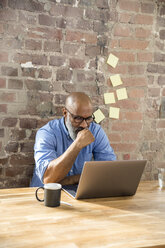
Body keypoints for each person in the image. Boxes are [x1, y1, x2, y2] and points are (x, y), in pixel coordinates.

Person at [30, 92, 116, 187]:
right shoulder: (47, 133)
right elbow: (49, 179)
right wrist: (77, 144)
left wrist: (71, 180)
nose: (84, 125)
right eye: (78, 118)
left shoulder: (96, 131)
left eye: (88, 118)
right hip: (44, 195)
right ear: (65, 113)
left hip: (78, 194)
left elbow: (109, 171)